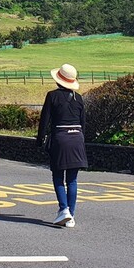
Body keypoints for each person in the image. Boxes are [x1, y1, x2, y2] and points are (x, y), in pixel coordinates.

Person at [37, 64, 88, 228]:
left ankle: (63, 209)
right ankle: (71, 215)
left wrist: (40, 140)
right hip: (77, 138)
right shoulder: (78, 98)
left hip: (61, 137)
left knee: (58, 176)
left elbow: (45, 120)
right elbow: (83, 123)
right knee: (72, 179)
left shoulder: (52, 96)